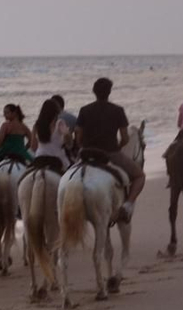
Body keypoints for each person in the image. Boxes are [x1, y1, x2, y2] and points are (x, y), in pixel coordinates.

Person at [76, 77, 145, 219]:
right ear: (109, 92)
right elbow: (125, 138)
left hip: (86, 154)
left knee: (67, 174)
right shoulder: (118, 110)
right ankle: (128, 205)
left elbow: (78, 137)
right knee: (139, 176)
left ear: (94, 92)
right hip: (110, 153)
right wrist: (118, 147)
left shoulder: (84, 110)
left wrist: (84, 147)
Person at [28, 97, 70, 170]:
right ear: (56, 111)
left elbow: (33, 147)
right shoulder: (60, 123)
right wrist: (68, 135)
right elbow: (68, 143)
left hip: (40, 157)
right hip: (57, 159)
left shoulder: (37, 125)